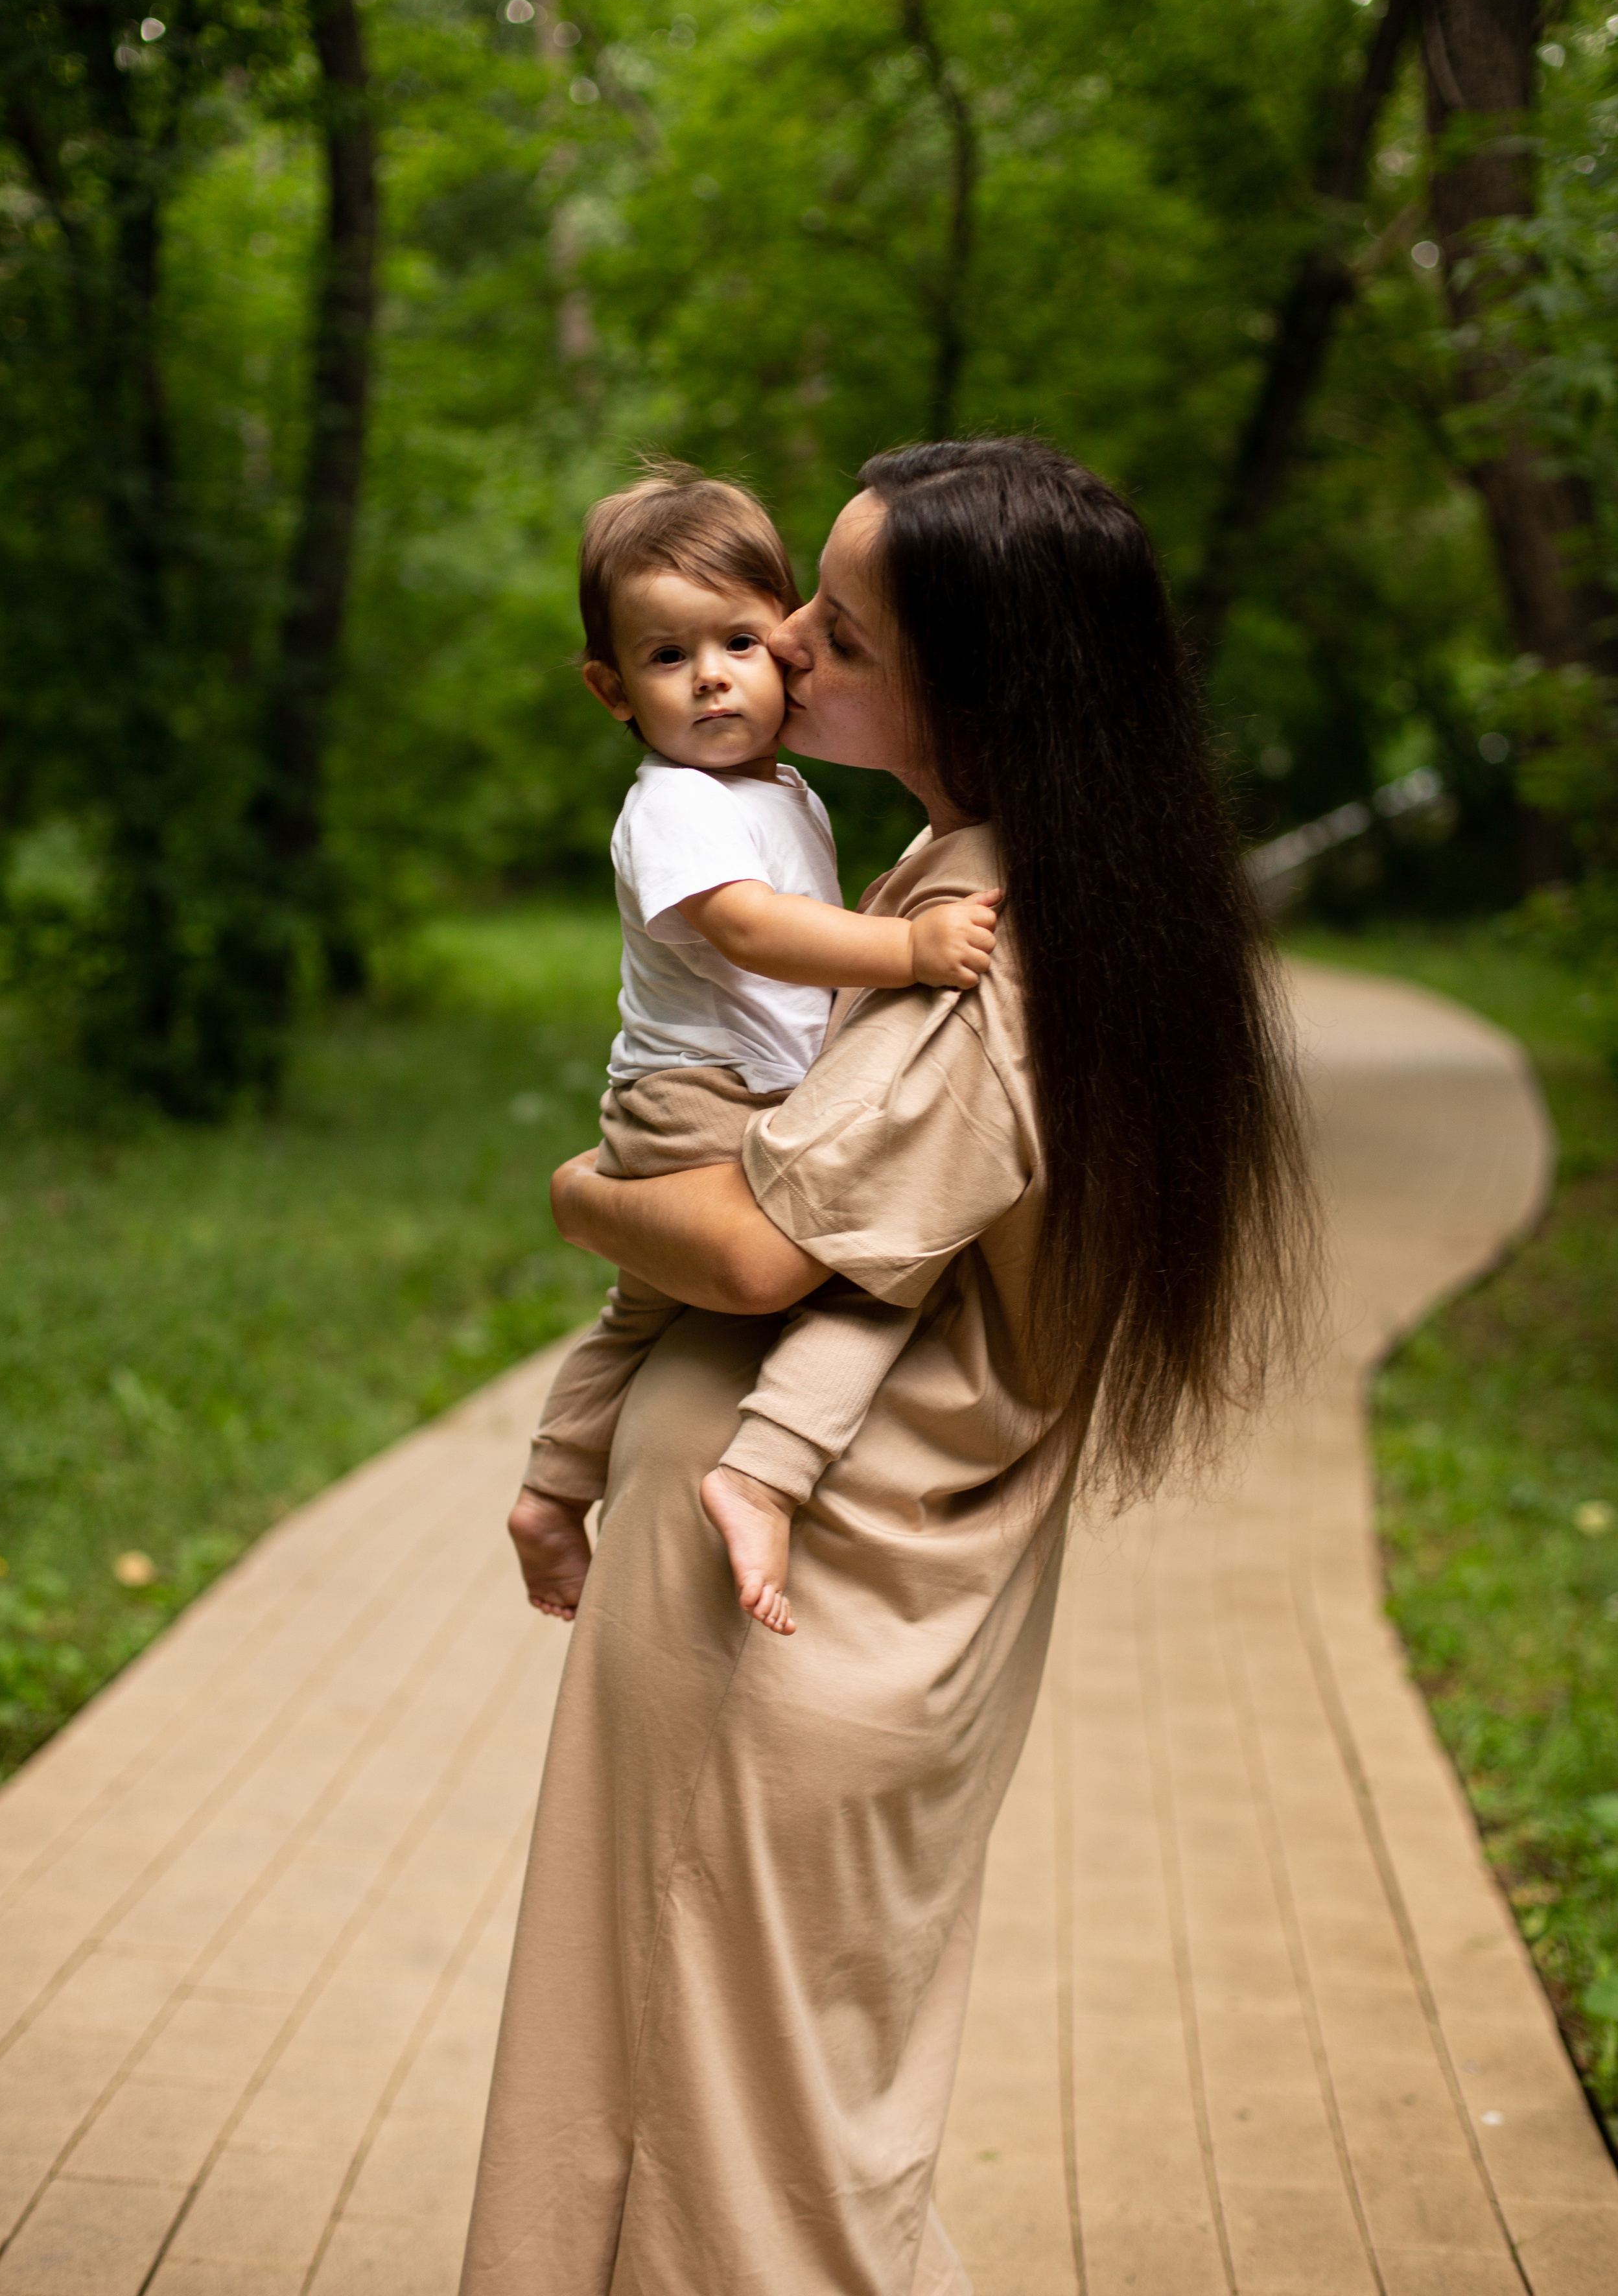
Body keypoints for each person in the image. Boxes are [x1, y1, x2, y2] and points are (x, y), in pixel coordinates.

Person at [460, 438, 1313, 2296]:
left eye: (832, 626)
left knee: (751, 2176)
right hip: (824, 1607)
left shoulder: (988, 953)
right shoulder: (991, 879)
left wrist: (574, 1192)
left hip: (797, 1623)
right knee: (718, 2130)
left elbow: (763, 1247)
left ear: (971, 686)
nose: (778, 639)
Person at [511, 466, 1000, 1637]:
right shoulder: (677, 802)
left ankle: (548, 1489)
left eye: (739, 639)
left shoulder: (785, 791)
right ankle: (761, 1470)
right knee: (852, 1267)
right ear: (612, 690)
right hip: (695, 1097)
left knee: (639, 1308)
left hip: (741, 1086)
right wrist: (909, 949)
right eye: (668, 658)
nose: (715, 678)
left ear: (782, 643)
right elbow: (750, 929)